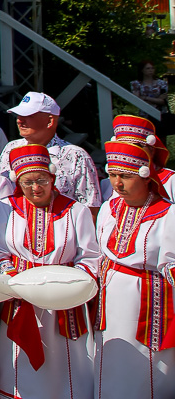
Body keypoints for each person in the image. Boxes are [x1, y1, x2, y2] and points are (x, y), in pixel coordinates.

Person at [0, 143, 100, 399]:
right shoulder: (6, 209)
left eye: (41, 180)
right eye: (28, 182)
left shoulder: (76, 211)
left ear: (53, 177)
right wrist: (12, 277)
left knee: (66, 363)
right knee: (21, 366)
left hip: (64, 302)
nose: (36, 188)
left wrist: (70, 283)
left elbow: (90, 256)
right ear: (18, 183)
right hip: (21, 297)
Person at [93, 140, 175, 398]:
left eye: (126, 177)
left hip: (148, 304)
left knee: (145, 370)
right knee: (110, 359)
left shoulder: (168, 214)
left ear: (145, 176)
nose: (117, 184)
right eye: (113, 175)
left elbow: (171, 263)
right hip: (109, 300)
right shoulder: (109, 208)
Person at [0, 92, 101, 210]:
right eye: (18, 115)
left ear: (50, 121)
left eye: (28, 115)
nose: (19, 120)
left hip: (60, 226)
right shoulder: (11, 148)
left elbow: (91, 207)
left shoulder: (76, 155)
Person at [108, 113, 175, 197]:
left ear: (152, 149)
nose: (130, 152)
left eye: (137, 146)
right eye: (124, 147)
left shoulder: (171, 180)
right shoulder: (109, 183)